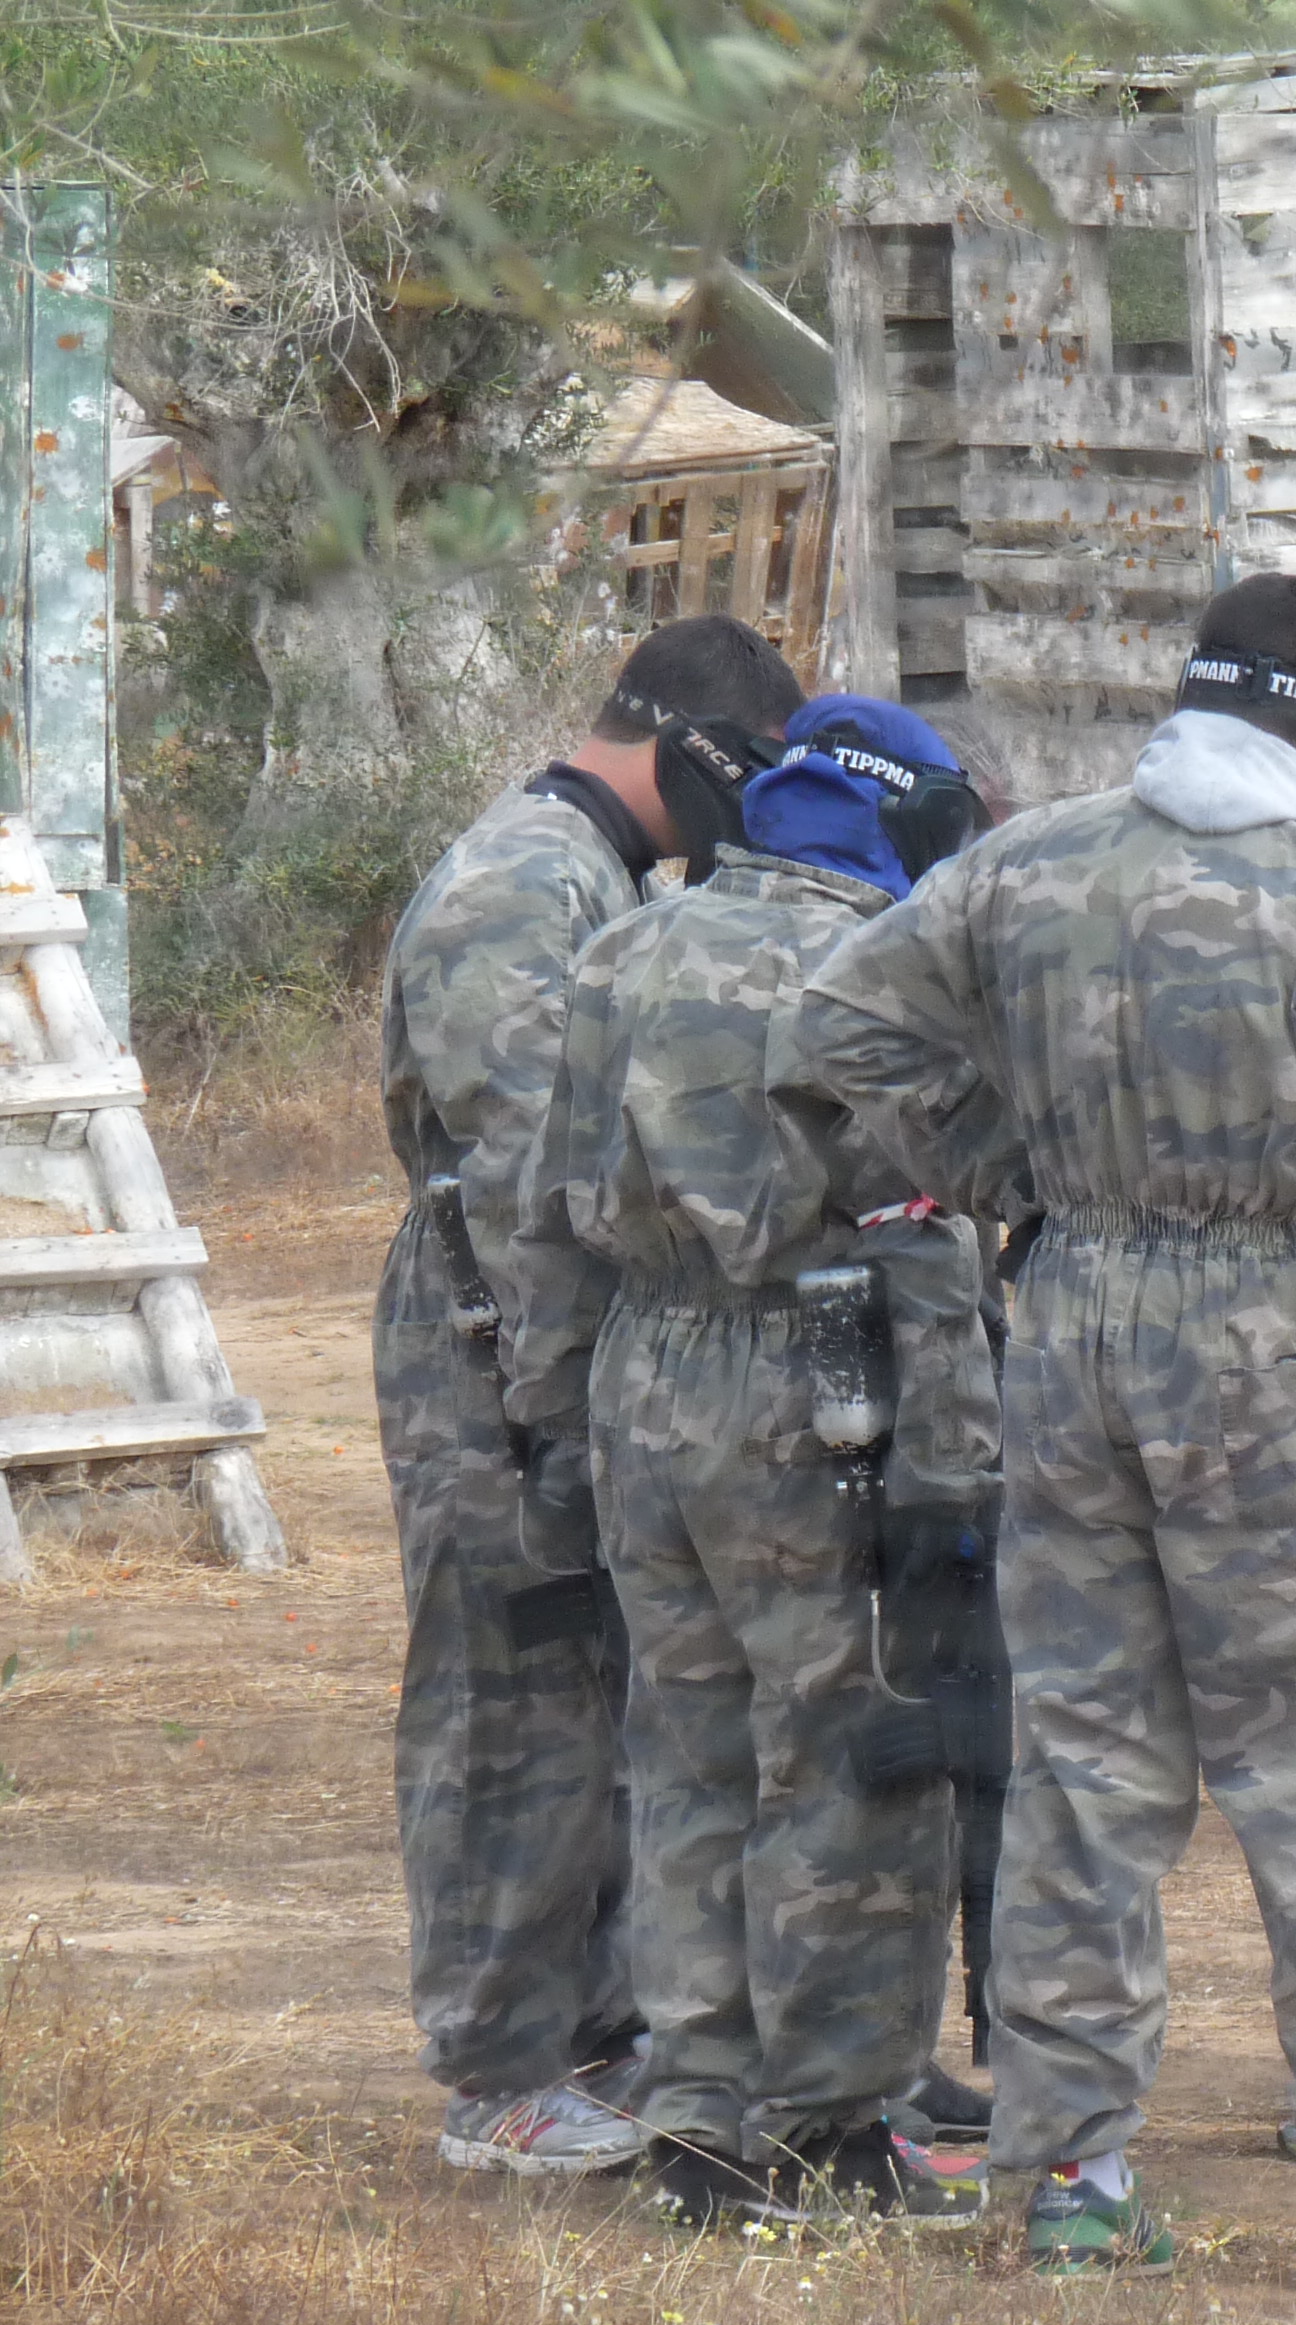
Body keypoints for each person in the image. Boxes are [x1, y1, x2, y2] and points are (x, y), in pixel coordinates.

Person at [794, 573, 1296, 2292]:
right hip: (1275, 1352)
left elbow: (838, 1023)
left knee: (1087, 1770)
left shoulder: (1024, 866)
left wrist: (1008, 1172)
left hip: (1071, 1327)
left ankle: (1073, 2180)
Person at [506, 695, 1000, 2228]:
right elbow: (921, 1239)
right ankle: (830, 2130)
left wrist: (552, 1421)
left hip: (645, 1381)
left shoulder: (627, 947)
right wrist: (954, 1482)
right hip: (816, 1387)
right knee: (850, 1763)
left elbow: (548, 1214)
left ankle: (702, 2117)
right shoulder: (878, 971)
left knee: (690, 1757)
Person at [378, 613, 801, 2183]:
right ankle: (500, 2068)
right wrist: (557, 1405)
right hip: (492, 1350)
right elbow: (524, 1182)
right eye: (746, 779)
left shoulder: (596, 878)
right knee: (510, 1703)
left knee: (596, 1702)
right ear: (689, 749)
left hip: (548, 1349)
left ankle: (596, 2027)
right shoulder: (520, 886)